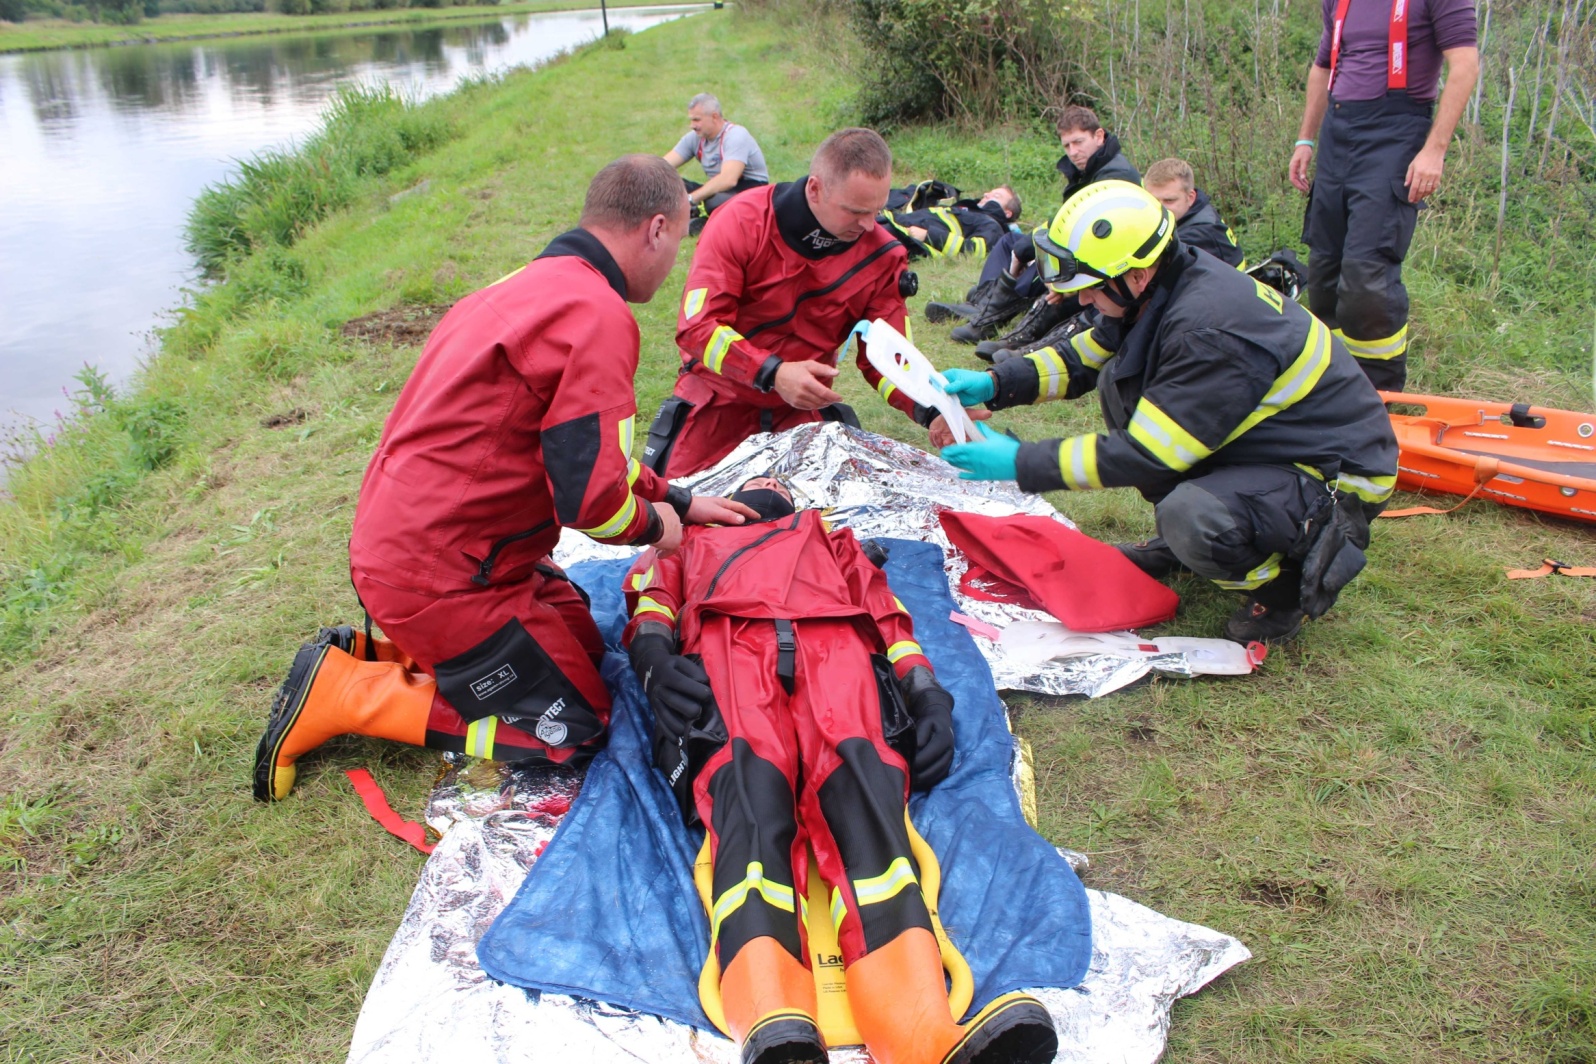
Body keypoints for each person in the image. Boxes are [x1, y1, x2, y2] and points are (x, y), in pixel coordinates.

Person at [253, 156, 756, 802]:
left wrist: (679, 498)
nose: (675, 264)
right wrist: (660, 528)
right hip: (443, 575)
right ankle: (344, 694)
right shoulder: (598, 317)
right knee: (572, 728)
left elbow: (588, 454)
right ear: (656, 228)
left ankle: (385, 654)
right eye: (680, 242)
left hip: (442, 550)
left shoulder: (534, 284)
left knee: (583, 641)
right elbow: (593, 505)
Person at [622, 477, 1059, 1064]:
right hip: (728, 641)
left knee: (865, 805)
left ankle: (922, 1034)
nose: (768, 485)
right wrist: (652, 657)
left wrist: (926, 693)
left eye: (778, 483)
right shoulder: (688, 537)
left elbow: (888, 616)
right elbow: (652, 597)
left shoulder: (831, 540)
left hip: (837, 649)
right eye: (758, 481)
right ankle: (772, 1014)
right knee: (750, 800)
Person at [938, 181, 1399, 644]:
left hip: (1336, 478)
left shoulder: (1208, 331)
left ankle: (1284, 590)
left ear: (1136, 275)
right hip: (1276, 446)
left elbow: (1147, 455)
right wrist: (996, 384)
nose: (1083, 300)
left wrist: (1022, 463)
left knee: (1193, 514)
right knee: (1118, 383)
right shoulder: (1160, 286)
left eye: (1090, 289)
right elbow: (1081, 357)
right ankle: (1194, 543)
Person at [643, 128, 935, 480]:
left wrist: (933, 412)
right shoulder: (741, 222)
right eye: (855, 211)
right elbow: (698, 329)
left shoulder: (882, 255)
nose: (868, 225)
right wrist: (773, 373)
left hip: (800, 409)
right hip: (719, 400)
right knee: (673, 502)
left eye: (877, 210)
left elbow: (889, 357)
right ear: (815, 189)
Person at [1289, 0, 1479, 391]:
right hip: (1338, 133)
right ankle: (1332, 386)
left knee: (1366, 279)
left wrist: (1434, 150)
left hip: (1395, 132)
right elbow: (1323, 67)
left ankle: (1380, 395)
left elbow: (1465, 65)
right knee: (1324, 275)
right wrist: (1305, 139)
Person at [976, 158, 1246, 365]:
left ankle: (1047, 349)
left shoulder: (1203, 232)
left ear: (1190, 197)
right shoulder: (1165, 220)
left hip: (1203, 319)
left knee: (1108, 288)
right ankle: (1023, 338)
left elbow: (1150, 274)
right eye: (1153, 200)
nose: (1160, 208)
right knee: (1078, 276)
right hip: (1175, 303)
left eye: (1169, 201)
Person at [925, 105, 1139, 344]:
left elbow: (1082, 230)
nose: (1073, 152)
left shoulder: (1115, 174)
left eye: (1078, 142)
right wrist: (1030, 243)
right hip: (1078, 246)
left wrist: (1035, 248)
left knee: (1041, 257)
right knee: (1010, 242)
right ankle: (981, 303)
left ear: (1098, 136)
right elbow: (1065, 219)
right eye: (1067, 145)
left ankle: (991, 317)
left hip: (1098, 259)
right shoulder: (1091, 168)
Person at [664, 92, 771, 235]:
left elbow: (728, 179)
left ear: (714, 117)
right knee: (667, 183)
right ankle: (695, 219)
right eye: (691, 120)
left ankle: (705, 220)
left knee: (715, 201)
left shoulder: (735, 136)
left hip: (751, 191)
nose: (692, 126)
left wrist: (690, 199)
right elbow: (661, 166)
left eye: (697, 120)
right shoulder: (695, 138)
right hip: (720, 190)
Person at [878, 185, 1020, 261]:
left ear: (1007, 212)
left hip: (906, 237)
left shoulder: (992, 226)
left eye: (996, 196)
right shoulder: (969, 210)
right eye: (989, 192)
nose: (986, 194)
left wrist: (928, 235)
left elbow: (974, 251)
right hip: (896, 223)